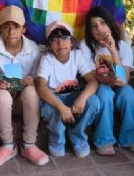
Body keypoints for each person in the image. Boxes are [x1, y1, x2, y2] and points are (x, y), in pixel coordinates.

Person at [0, 6, 49, 167]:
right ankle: (7, 145)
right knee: (1, 94)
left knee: (32, 91)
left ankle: (29, 145)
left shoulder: (33, 48)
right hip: (2, 105)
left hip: (22, 102)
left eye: (16, 27)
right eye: (6, 26)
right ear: (0, 29)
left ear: (24, 29)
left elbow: (39, 77)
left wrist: (32, 80)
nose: (11, 32)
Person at [77, 6, 134, 156]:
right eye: (93, 26)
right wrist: (110, 79)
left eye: (102, 23)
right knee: (105, 93)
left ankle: (131, 137)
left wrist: (113, 51)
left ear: (110, 24)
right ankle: (104, 140)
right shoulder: (85, 46)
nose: (99, 29)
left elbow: (124, 79)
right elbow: (92, 76)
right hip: (97, 86)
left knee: (129, 94)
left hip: (118, 85)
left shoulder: (123, 47)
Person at [35, 21, 100, 158]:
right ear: (49, 45)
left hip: (73, 96)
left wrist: (82, 99)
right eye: (55, 40)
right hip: (54, 99)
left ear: (72, 42)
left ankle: (77, 135)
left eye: (64, 38)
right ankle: (57, 138)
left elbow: (93, 81)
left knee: (93, 102)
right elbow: (40, 86)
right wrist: (61, 107)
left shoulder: (77, 56)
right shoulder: (47, 59)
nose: (60, 43)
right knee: (49, 109)